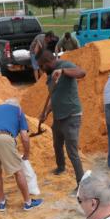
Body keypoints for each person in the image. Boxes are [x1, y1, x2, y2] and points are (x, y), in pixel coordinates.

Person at [0, 98, 42, 212]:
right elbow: (24, 137)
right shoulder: (18, 111)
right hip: (3, 137)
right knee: (18, 171)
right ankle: (28, 203)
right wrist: (26, 154)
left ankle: (1, 203)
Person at [38, 49, 86, 187]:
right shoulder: (49, 75)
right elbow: (54, 97)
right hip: (58, 117)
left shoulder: (66, 65)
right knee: (57, 145)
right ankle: (61, 167)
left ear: (47, 62)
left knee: (72, 152)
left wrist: (64, 71)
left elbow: (82, 73)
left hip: (71, 116)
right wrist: (46, 112)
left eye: (41, 66)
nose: (41, 69)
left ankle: (81, 183)